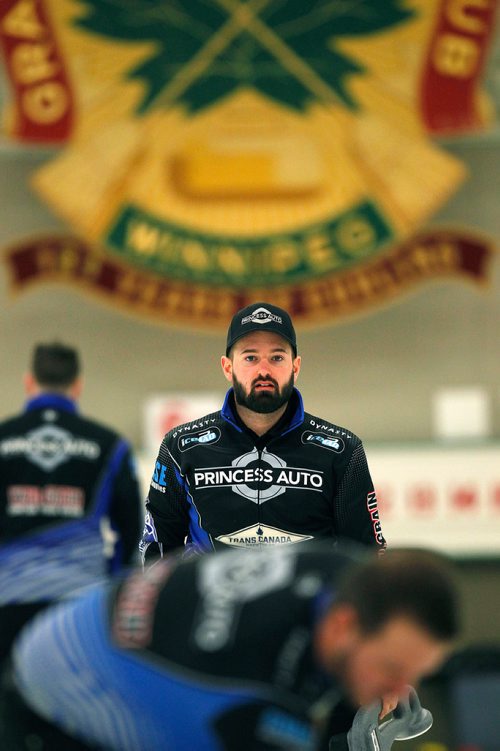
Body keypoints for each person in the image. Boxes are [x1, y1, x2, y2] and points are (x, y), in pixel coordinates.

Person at [1, 545, 460, 751]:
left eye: (417, 674)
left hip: (87, 618)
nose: (402, 690)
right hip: (51, 704)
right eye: (393, 669)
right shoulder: (248, 695)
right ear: (343, 626)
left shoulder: (348, 573)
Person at [140, 301, 386, 562]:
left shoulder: (341, 449)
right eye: (250, 358)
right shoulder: (181, 447)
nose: (264, 370)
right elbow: (158, 549)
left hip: (308, 600)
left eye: (277, 357)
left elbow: (366, 556)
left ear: (296, 366)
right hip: (213, 601)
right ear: (227, 367)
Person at [0, 342, 143, 665]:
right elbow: (131, 528)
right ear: (77, 386)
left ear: (28, 382)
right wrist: (112, 582)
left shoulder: (3, 437)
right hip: (79, 607)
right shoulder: (110, 445)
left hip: (8, 601)